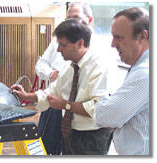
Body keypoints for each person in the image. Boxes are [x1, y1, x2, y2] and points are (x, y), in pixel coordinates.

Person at [11, 18, 114, 155]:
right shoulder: (69, 65)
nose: (58, 50)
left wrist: (65, 105)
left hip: (92, 135)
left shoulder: (99, 66)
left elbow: (98, 107)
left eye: (63, 45)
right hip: (70, 131)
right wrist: (27, 96)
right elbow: (53, 91)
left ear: (80, 43)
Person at [35, 2, 94, 155]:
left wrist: (67, 105)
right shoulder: (57, 41)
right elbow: (40, 64)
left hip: (79, 111)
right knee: (45, 145)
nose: (72, 23)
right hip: (53, 101)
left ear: (89, 20)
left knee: (71, 150)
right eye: (68, 19)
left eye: (76, 18)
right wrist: (50, 74)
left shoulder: (97, 50)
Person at [94, 7, 149, 155]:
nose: (113, 44)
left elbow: (105, 116)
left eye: (119, 37)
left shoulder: (145, 73)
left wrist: (108, 104)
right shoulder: (139, 67)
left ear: (142, 36)